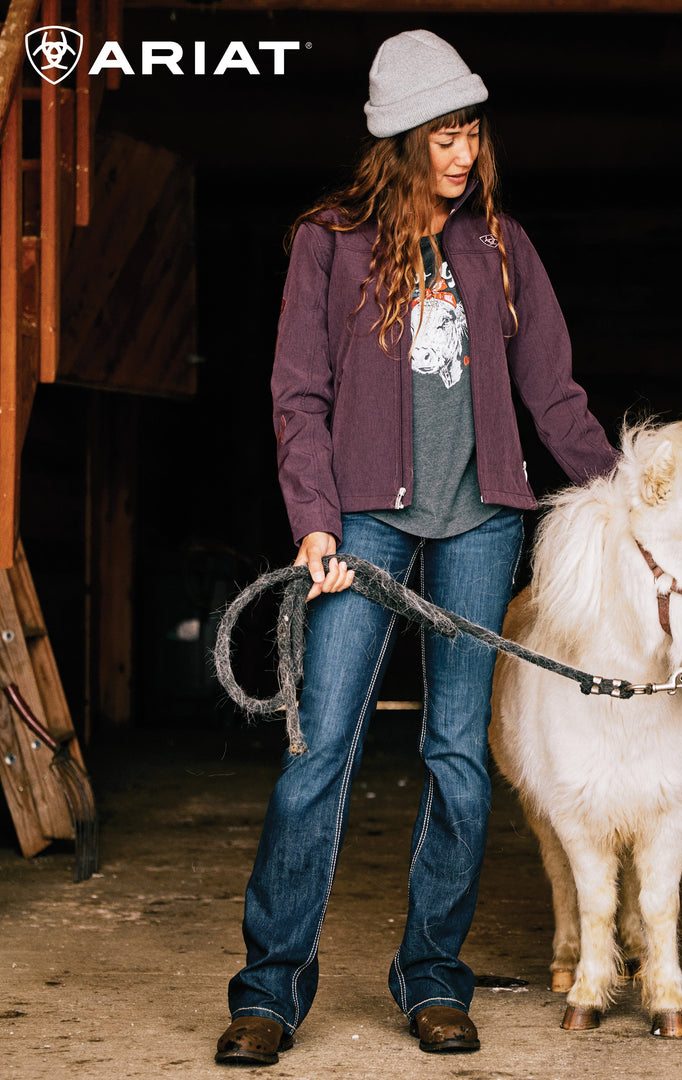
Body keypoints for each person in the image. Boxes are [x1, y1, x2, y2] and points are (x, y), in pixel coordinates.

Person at [215, 29, 619, 1066]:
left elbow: (554, 393)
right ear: (398, 139)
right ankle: (269, 990)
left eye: (471, 129)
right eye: (443, 133)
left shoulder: (502, 245)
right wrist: (313, 513)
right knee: (320, 752)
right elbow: (297, 392)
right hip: (363, 520)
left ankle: (434, 975)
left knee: (458, 760)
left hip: (483, 519)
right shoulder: (330, 241)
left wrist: (625, 491)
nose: (462, 150)